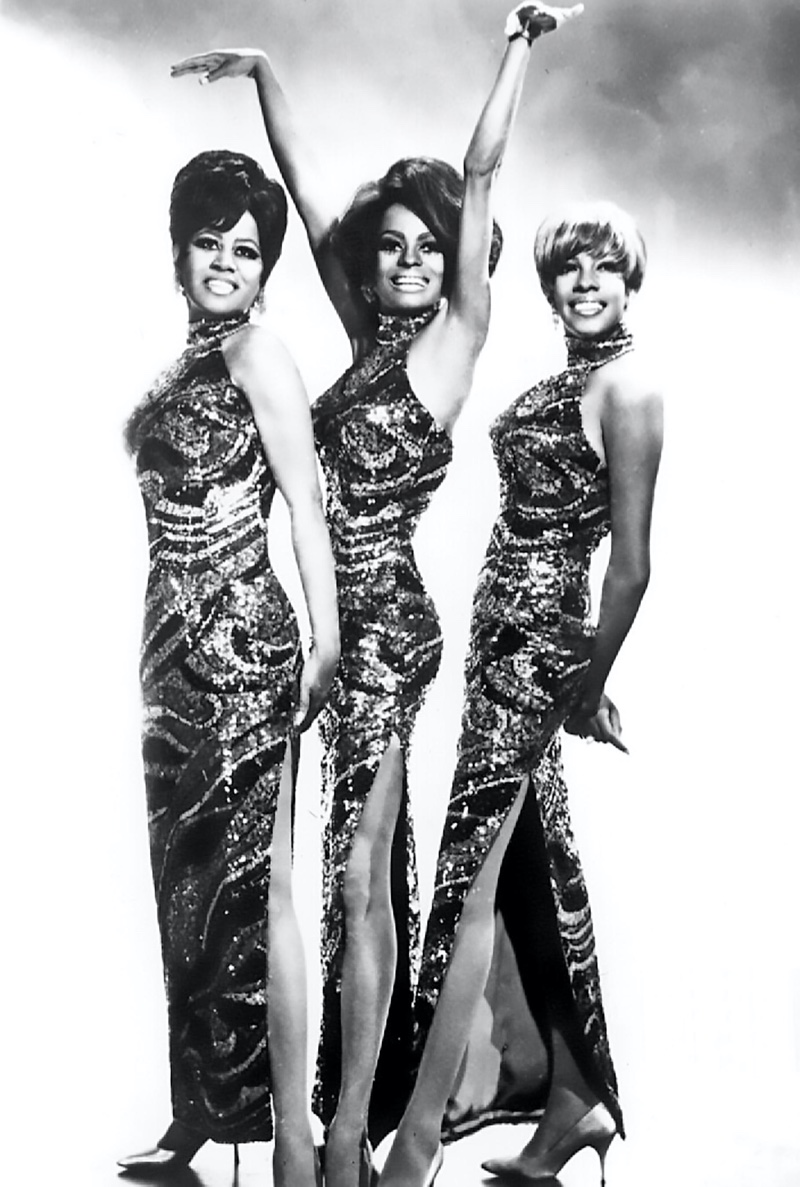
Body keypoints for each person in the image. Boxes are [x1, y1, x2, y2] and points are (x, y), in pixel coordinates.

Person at [171, 7, 581, 1185]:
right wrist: (262, 74)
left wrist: (517, 42)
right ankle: (306, 1117)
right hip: (313, 623)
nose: (402, 260)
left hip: (388, 630)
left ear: (454, 257)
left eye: (424, 244)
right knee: (313, 875)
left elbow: (484, 168)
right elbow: (305, 202)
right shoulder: (357, 337)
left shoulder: (456, 338)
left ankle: (354, 1126)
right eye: (389, 244)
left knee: (358, 875)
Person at [377, 187, 662, 1187]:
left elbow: (628, 565)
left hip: (534, 655)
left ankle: (410, 1147)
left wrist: (583, 681)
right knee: (523, 881)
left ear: (631, 281)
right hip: (499, 646)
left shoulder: (627, 391)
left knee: (468, 884)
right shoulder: (568, 378)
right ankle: (571, 1101)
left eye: (604, 266)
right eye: (569, 267)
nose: (585, 282)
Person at [118, 150, 339, 1187]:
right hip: (169, 651)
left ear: (265, 269)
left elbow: (304, 502)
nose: (224, 262)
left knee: (265, 888)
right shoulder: (183, 363)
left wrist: (325, 639)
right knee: (184, 884)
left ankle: (291, 1135)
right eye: (208, 242)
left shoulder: (259, 353)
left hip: (244, 642)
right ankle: (199, 1110)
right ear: (179, 251)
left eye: (245, 250)